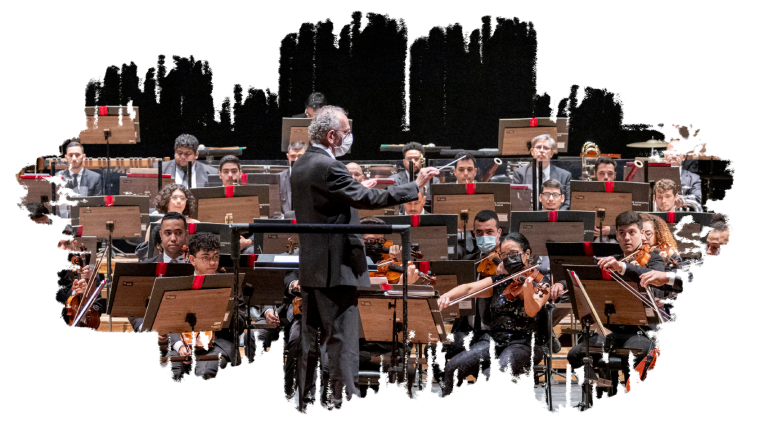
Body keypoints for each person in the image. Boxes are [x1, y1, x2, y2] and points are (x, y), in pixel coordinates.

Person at [290, 105, 439, 409]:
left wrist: (355, 189)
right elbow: (370, 200)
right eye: (346, 132)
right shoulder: (330, 166)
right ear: (331, 136)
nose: (349, 136)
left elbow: (328, 204)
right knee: (342, 342)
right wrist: (416, 185)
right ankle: (343, 406)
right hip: (336, 267)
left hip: (313, 267)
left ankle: (304, 403)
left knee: (310, 341)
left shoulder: (302, 164)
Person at [438, 232, 548, 395]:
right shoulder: (498, 281)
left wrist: (528, 292)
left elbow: (532, 311)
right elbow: (468, 288)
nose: (508, 259)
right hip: (494, 339)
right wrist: (446, 296)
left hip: (524, 343)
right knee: (452, 367)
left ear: (527, 254)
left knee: (491, 375)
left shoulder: (541, 284)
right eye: (504, 255)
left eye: (513, 254)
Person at [567, 211, 666, 390]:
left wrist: (627, 269)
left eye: (632, 232)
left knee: (633, 353)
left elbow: (656, 286)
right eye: (622, 233)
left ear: (642, 234)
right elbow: (586, 274)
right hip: (611, 328)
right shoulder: (612, 260)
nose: (626, 237)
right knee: (575, 354)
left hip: (640, 330)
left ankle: (630, 393)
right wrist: (561, 283)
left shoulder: (654, 259)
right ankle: (601, 388)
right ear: (617, 236)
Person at [170, 232, 247, 380]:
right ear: (192, 259)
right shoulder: (180, 284)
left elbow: (240, 324)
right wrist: (179, 345)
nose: (212, 263)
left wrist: (223, 309)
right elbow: (168, 321)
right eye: (205, 258)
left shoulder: (230, 284)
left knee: (204, 372)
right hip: (185, 342)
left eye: (215, 257)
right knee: (172, 371)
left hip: (219, 344)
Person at [56, 225, 105, 325]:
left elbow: (98, 309)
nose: (63, 248)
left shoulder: (89, 271)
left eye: (67, 243)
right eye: (59, 244)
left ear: (74, 244)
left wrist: (88, 294)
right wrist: (73, 292)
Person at [512, 134, 571, 209]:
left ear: (551, 153)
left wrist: (555, 214)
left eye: (546, 148)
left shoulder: (564, 175)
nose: (542, 150)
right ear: (532, 151)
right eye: (538, 147)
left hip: (554, 215)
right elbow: (514, 200)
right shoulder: (520, 173)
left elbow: (568, 203)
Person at [56, 140, 103, 217]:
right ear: (66, 157)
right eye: (70, 155)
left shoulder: (95, 178)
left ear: (84, 156)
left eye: (77, 155)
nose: (74, 158)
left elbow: (97, 206)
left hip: (86, 219)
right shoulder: (57, 177)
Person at [389, 142, 439, 212]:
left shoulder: (434, 181)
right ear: (404, 162)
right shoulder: (394, 180)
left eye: (416, 159)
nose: (413, 162)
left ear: (422, 161)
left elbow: (432, 205)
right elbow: (394, 205)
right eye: (409, 159)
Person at [664, 139, 702, 204]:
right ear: (665, 155)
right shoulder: (655, 175)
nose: (674, 156)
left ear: (684, 157)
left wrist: (681, 199)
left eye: (677, 153)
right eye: (670, 152)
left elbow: (697, 198)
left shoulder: (694, 178)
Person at [280, 141, 308, 218]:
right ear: (288, 156)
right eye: (292, 156)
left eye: (300, 156)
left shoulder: (313, 177)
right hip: (285, 223)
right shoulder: (279, 178)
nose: (296, 160)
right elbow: (274, 210)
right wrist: (285, 220)